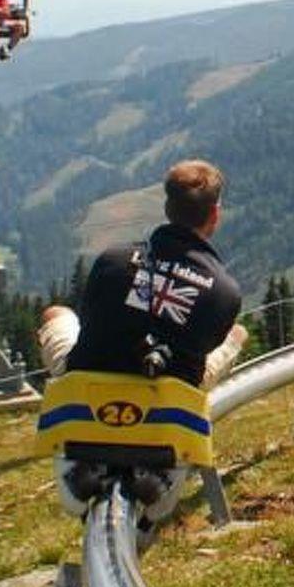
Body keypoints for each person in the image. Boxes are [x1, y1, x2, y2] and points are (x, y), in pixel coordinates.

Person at [48, 159, 246, 533]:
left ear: (168, 209)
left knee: (56, 314)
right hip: (168, 401)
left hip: (87, 392)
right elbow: (201, 349)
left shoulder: (112, 261)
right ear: (214, 215)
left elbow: (92, 321)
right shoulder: (224, 293)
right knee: (237, 334)